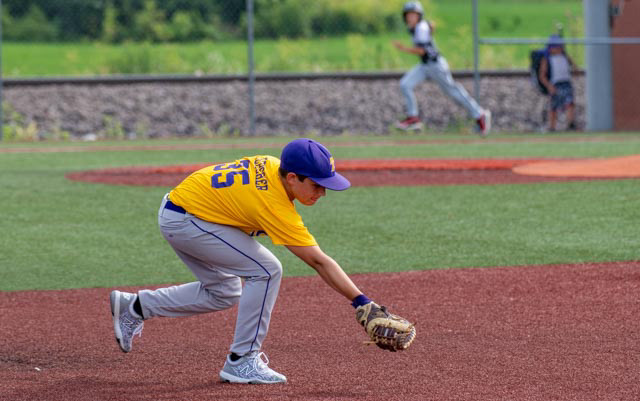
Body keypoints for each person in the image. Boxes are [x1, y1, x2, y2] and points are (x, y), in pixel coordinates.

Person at [109, 138, 377, 384]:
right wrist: (361, 301)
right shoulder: (273, 203)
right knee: (267, 271)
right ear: (292, 177)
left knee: (224, 292)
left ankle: (136, 306)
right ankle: (242, 360)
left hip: (185, 211)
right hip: (188, 220)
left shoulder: (273, 165)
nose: (322, 192)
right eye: (317, 185)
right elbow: (318, 261)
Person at [393, 1, 491, 135]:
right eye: (408, 15)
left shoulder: (421, 28)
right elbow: (430, 27)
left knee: (453, 91)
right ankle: (413, 118)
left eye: (413, 15)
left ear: (419, 16)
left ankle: (480, 115)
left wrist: (403, 48)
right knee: (405, 84)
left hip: (436, 65)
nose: (410, 17)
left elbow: (422, 50)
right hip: (425, 65)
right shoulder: (418, 27)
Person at [538, 35, 577, 132]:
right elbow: (542, 75)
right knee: (554, 106)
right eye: (557, 47)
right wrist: (549, 86)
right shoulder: (547, 59)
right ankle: (552, 127)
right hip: (555, 84)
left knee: (570, 103)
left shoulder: (564, 57)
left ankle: (571, 124)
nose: (559, 49)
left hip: (566, 83)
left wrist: (570, 60)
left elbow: (574, 67)